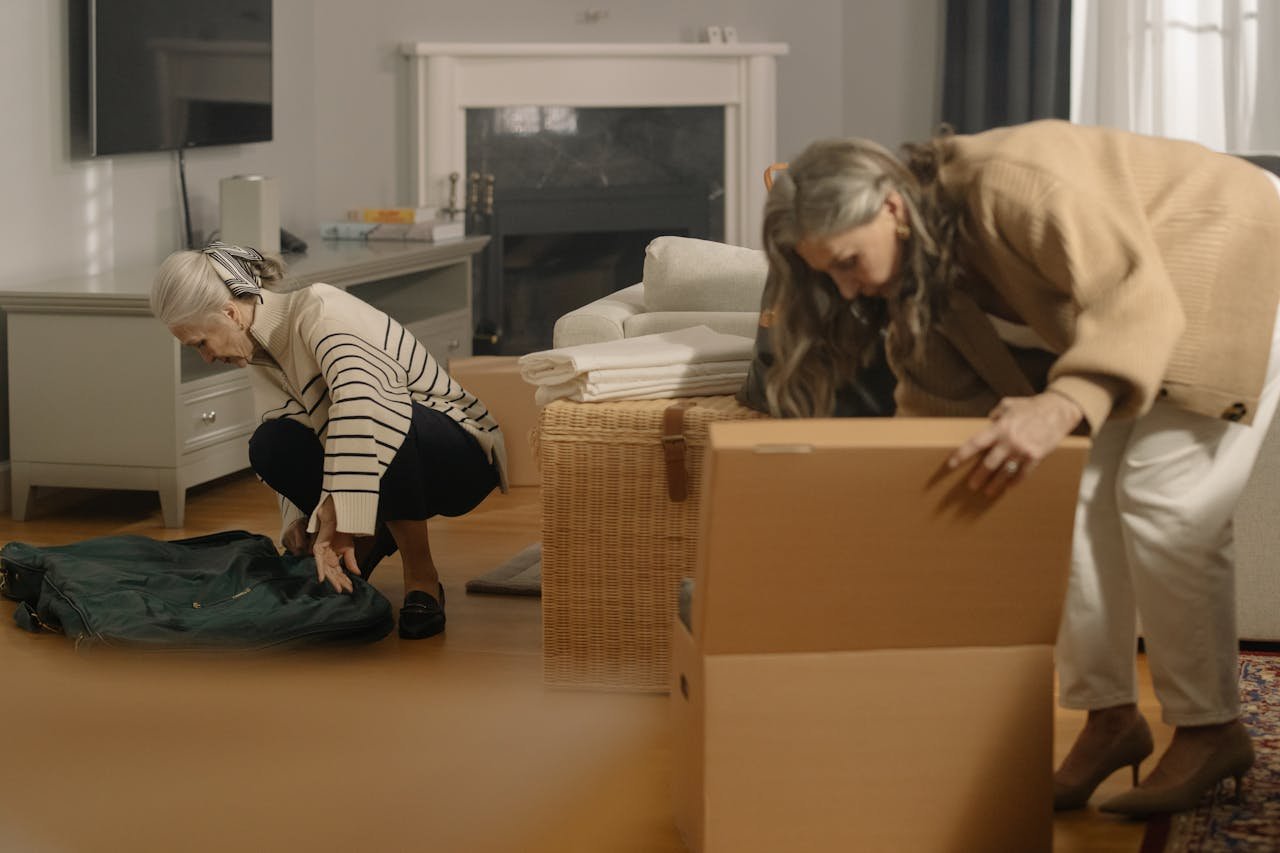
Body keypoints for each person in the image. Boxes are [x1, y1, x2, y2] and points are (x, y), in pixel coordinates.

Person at [759, 119, 1280, 816]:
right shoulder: (918, 274)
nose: (849, 289)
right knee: (1064, 496)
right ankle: (1109, 718)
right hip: (1141, 307)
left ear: (889, 206)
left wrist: (1062, 403)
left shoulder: (1015, 184)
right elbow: (935, 412)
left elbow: (1136, 297)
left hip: (1229, 251)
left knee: (1164, 494)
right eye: (831, 275)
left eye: (849, 262)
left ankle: (1211, 728)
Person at [151, 242, 508, 640]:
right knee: (269, 443)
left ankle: (421, 573)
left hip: (456, 451)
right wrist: (298, 521)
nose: (206, 356)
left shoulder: (319, 308)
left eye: (200, 343)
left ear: (230, 313)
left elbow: (364, 402)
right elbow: (289, 424)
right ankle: (366, 539)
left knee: (376, 414)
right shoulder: (260, 352)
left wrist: (338, 517)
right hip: (383, 450)